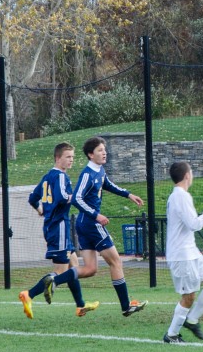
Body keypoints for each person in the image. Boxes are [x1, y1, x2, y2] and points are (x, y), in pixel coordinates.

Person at [43, 136, 148, 317]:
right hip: (91, 224)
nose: (104, 152)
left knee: (90, 269)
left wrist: (129, 194)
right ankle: (125, 306)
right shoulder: (87, 174)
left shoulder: (99, 171)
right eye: (100, 150)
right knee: (116, 261)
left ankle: (54, 281)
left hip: (86, 225)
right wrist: (96, 215)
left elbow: (108, 184)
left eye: (104, 149)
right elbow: (76, 198)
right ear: (91, 155)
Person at [19, 142, 99, 319]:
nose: (71, 160)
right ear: (57, 158)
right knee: (61, 272)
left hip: (54, 226)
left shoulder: (47, 176)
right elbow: (63, 197)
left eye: (72, 157)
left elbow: (33, 199)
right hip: (59, 227)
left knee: (74, 266)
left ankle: (80, 305)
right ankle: (29, 294)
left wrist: (42, 210)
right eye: (67, 157)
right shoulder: (61, 177)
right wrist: (78, 197)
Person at [163, 161, 203, 343]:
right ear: (187, 175)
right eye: (192, 172)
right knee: (188, 296)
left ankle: (192, 320)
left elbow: (190, 221)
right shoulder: (180, 196)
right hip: (181, 254)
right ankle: (171, 335)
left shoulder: (181, 196)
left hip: (192, 252)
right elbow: (193, 224)